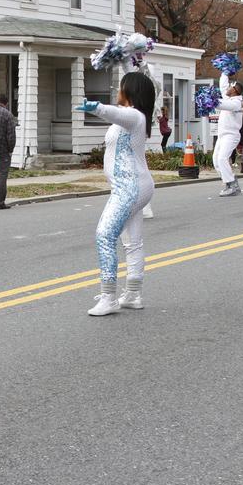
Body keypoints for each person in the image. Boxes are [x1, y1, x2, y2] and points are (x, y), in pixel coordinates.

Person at [76, 72, 155, 316]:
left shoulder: (133, 116)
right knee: (132, 242)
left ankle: (109, 297)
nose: (117, 90)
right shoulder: (136, 118)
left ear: (129, 91)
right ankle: (133, 294)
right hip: (135, 185)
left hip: (129, 187)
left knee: (104, 235)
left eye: (121, 87)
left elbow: (115, 113)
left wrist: (96, 107)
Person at [213, 72, 243, 195]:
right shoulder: (230, 97)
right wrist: (224, 72)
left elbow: (224, 105)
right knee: (216, 160)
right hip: (222, 135)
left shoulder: (236, 103)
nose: (227, 88)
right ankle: (229, 182)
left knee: (222, 158)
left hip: (231, 135)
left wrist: (212, 102)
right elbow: (222, 86)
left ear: (235, 90)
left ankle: (232, 185)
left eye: (230, 86)